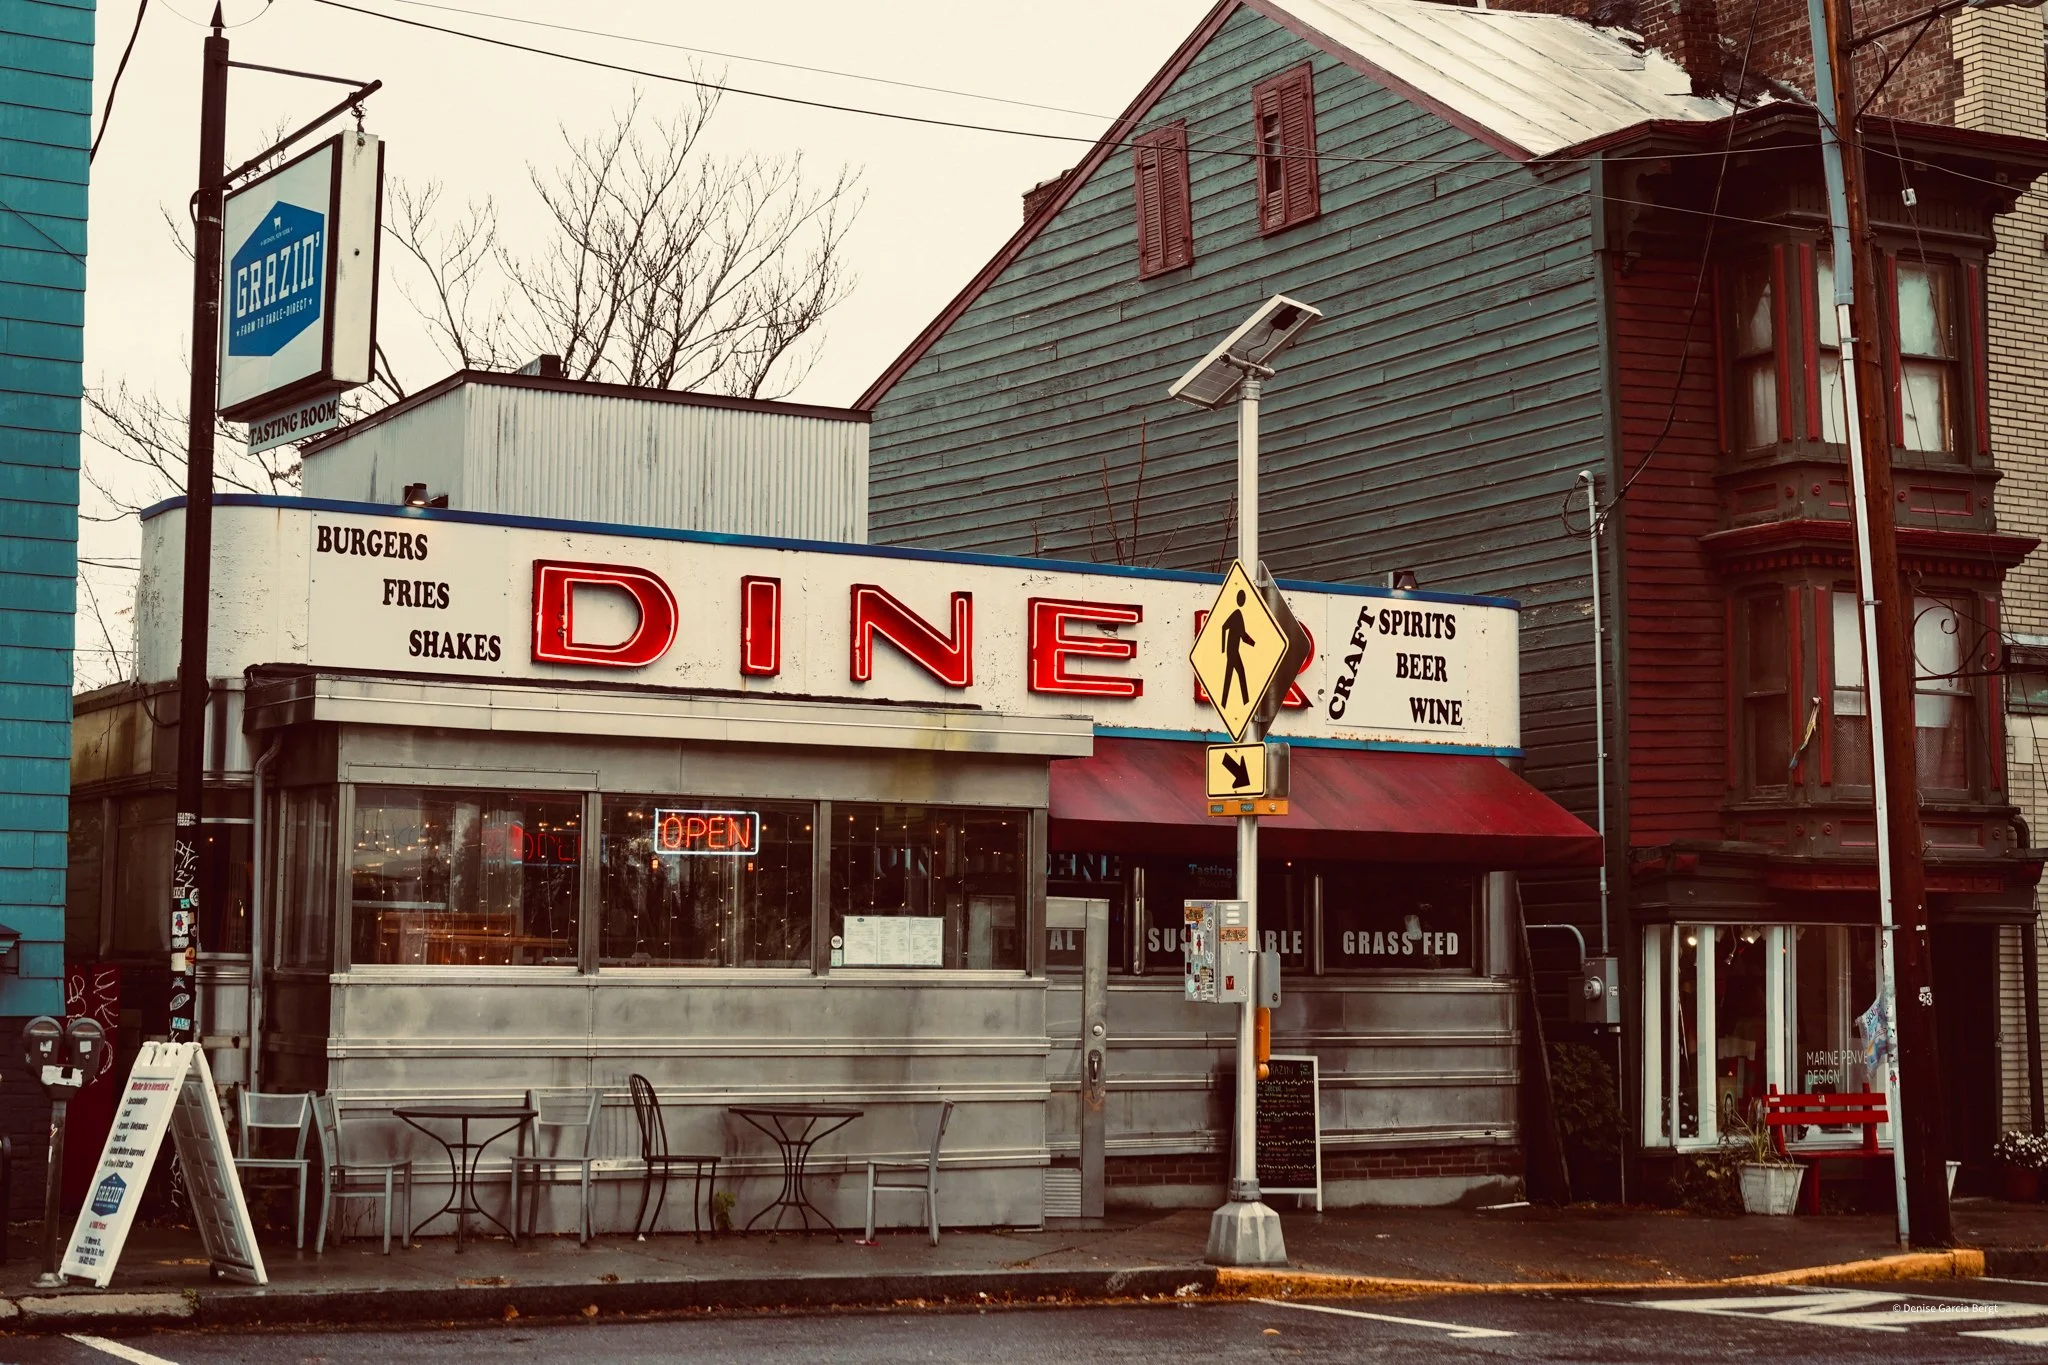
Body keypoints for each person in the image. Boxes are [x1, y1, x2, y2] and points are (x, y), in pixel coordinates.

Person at [1220, 590, 1255, 709]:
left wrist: (1254, 644)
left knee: (1229, 677)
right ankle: (1246, 703)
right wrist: (1222, 648)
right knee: (1240, 673)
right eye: (1242, 598)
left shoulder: (1238, 614)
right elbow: (1223, 627)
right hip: (1232, 652)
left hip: (1233, 652)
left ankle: (1224, 703)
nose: (1243, 601)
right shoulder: (1236, 614)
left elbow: (1243, 636)